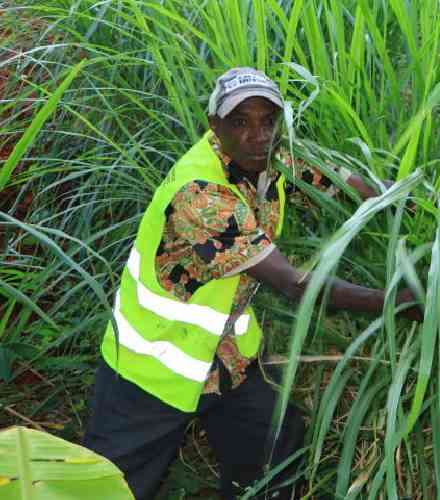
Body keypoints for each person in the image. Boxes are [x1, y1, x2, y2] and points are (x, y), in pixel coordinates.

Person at [83, 67, 422, 500]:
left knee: (273, 452)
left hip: (226, 361)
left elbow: (340, 181)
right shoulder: (200, 194)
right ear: (215, 126)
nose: (257, 134)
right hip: (151, 369)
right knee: (111, 487)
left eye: (268, 120)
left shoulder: (268, 157)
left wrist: (411, 200)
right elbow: (295, 284)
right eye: (241, 122)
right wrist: (394, 302)